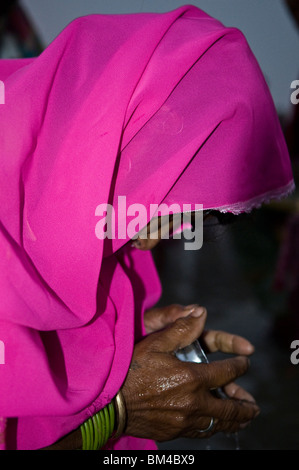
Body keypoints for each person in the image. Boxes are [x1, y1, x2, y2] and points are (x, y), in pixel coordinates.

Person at [0, 5, 294, 450]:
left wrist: (125, 346)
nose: (148, 241)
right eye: (158, 206)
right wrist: (122, 411)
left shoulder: (90, 244)